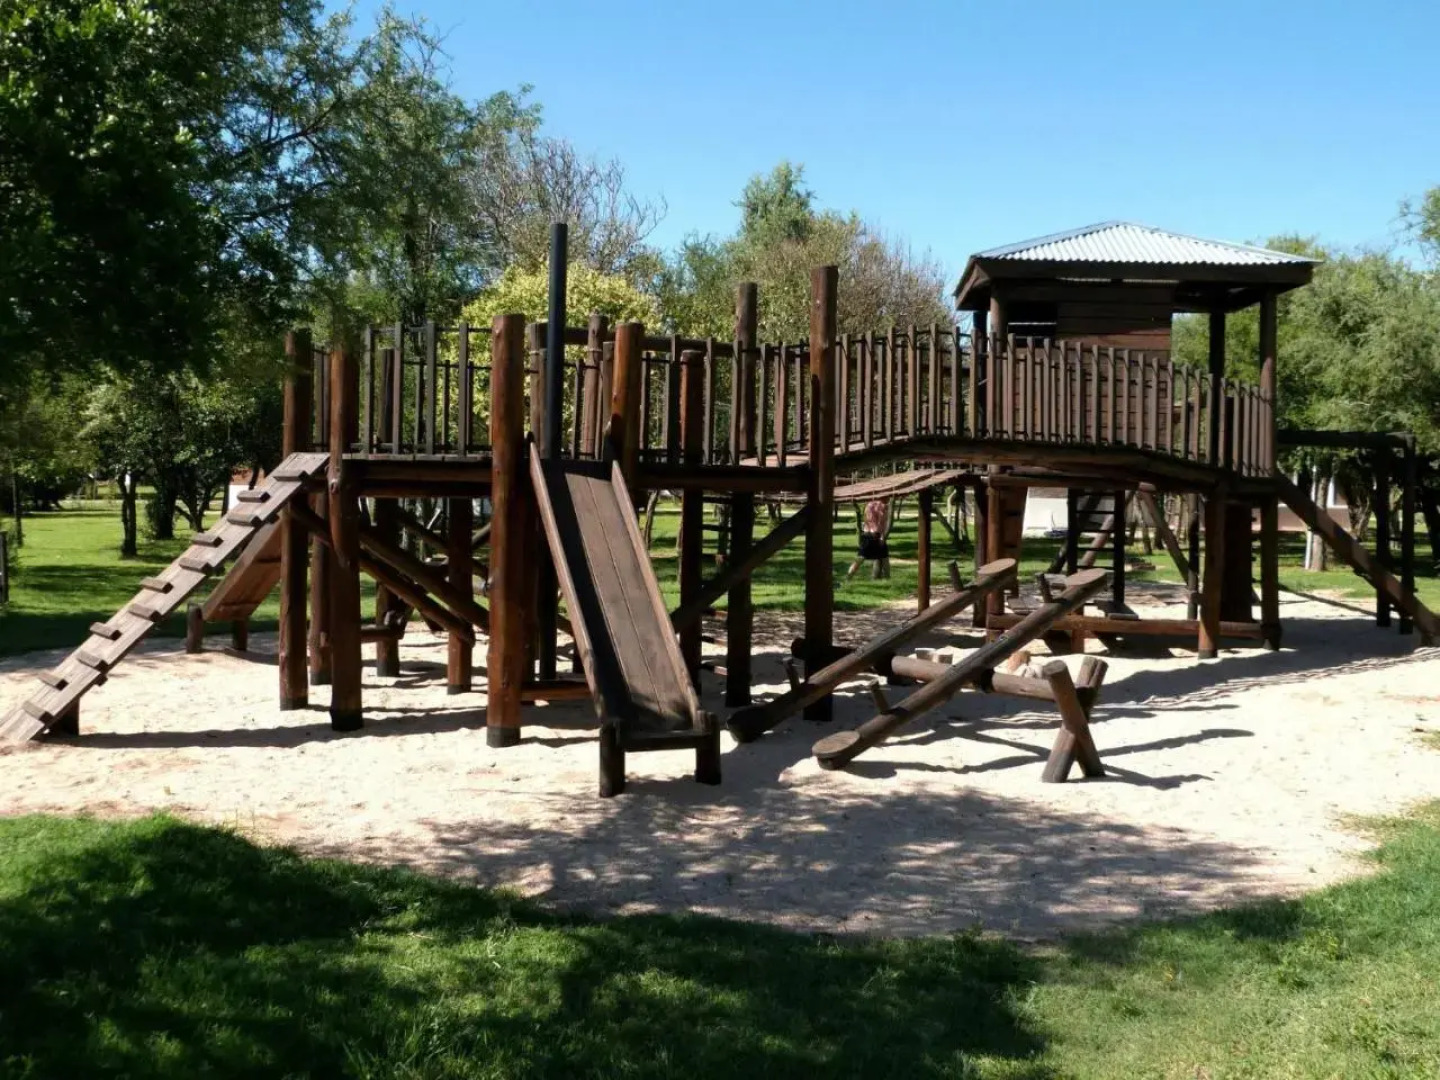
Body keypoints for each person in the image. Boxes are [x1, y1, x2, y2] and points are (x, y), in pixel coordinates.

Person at [847, 497, 891, 580]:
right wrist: (880, 536)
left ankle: (888, 580)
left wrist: (881, 536)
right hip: (872, 535)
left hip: (874, 535)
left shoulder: (880, 505)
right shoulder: (876, 506)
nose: (889, 499)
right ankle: (848, 577)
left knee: (884, 558)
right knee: (861, 558)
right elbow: (874, 523)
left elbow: (882, 523)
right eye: (888, 497)